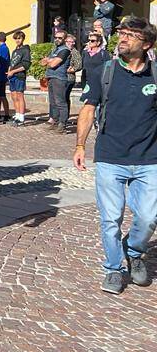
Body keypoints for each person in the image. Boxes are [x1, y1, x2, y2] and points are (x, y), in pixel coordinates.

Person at [74, 16, 157, 294]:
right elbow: (87, 109)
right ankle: (113, 268)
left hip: (149, 159)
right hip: (110, 156)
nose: (122, 39)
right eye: (121, 34)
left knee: (147, 218)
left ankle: (133, 251)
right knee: (111, 219)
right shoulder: (104, 71)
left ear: (146, 44)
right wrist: (80, 146)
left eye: (130, 35)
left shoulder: (156, 74)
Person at [43, 28, 72, 133]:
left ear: (64, 39)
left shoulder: (65, 50)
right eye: (56, 37)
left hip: (59, 78)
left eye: (60, 38)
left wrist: (49, 61)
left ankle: (62, 124)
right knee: (53, 102)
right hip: (51, 77)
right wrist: (50, 61)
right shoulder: (55, 50)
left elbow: (53, 64)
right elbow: (43, 62)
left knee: (60, 102)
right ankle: (55, 122)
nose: (57, 39)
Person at [6, 30, 31, 126]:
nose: (17, 40)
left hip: (19, 76)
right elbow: (12, 63)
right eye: (16, 39)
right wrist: (9, 71)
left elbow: (25, 65)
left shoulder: (25, 50)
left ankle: (21, 116)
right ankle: (17, 114)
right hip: (12, 76)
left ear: (23, 39)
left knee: (20, 96)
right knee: (13, 96)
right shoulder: (15, 50)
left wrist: (13, 71)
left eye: (19, 38)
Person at [81, 31, 112, 99]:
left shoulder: (104, 53)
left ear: (98, 43)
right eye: (89, 40)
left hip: (99, 82)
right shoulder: (85, 52)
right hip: (87, 81)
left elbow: (108, 68)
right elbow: (82, 66)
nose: (89, 42)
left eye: (92, 41)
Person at [0, 31, 10, 123]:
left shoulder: (2, 49)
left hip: (0, 74)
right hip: (0, 74)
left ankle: (6, 113)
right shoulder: (3, 48)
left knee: (2, 95)